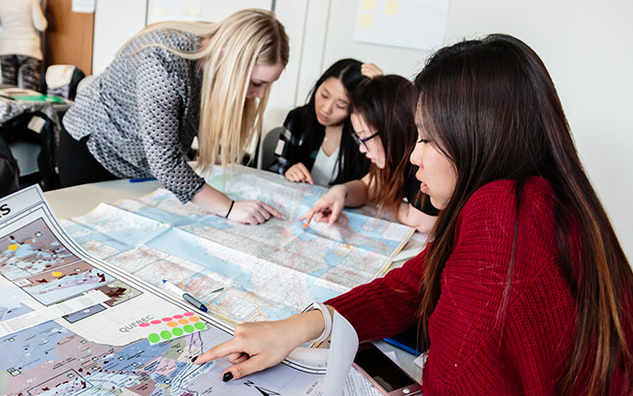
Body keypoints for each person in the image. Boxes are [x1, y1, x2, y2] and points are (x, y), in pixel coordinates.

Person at [192, 34, 633, 395]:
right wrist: (301, 326)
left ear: (475, 138)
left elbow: (455, 377)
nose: (416, 157)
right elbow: (416, 282)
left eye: (426, 139)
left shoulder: (504, 218)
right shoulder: (531, 195)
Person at [59, 9, 289, 225]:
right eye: (257, 83)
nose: (259, 95)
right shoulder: (163, 63)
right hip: (95, 153)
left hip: (141, 167)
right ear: (228, 59)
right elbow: (165, 163)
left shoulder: (213, 56)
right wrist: (229, 207)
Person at [300, 75, 438, 233]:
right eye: (359, 138)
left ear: (392, 131)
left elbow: (421, 221)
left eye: (366, 138)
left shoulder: (421, 159)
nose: (362, 148)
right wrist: (340, 192)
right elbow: (367, 188)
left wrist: (387, 198)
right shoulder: (394, 157)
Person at [268, 59, 380, 186]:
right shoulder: (298, 118)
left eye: (341, 106)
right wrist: (288, 171)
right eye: (324, 95)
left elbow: (384, 178)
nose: (326, 109)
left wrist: (381, 93)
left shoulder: (364, 135)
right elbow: (277, 166)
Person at [0, 0, 47, 91]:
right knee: (31, 91)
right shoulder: (30, 1)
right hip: (28, 47)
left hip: (7, 47)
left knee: (8, 89)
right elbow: (41, 25)